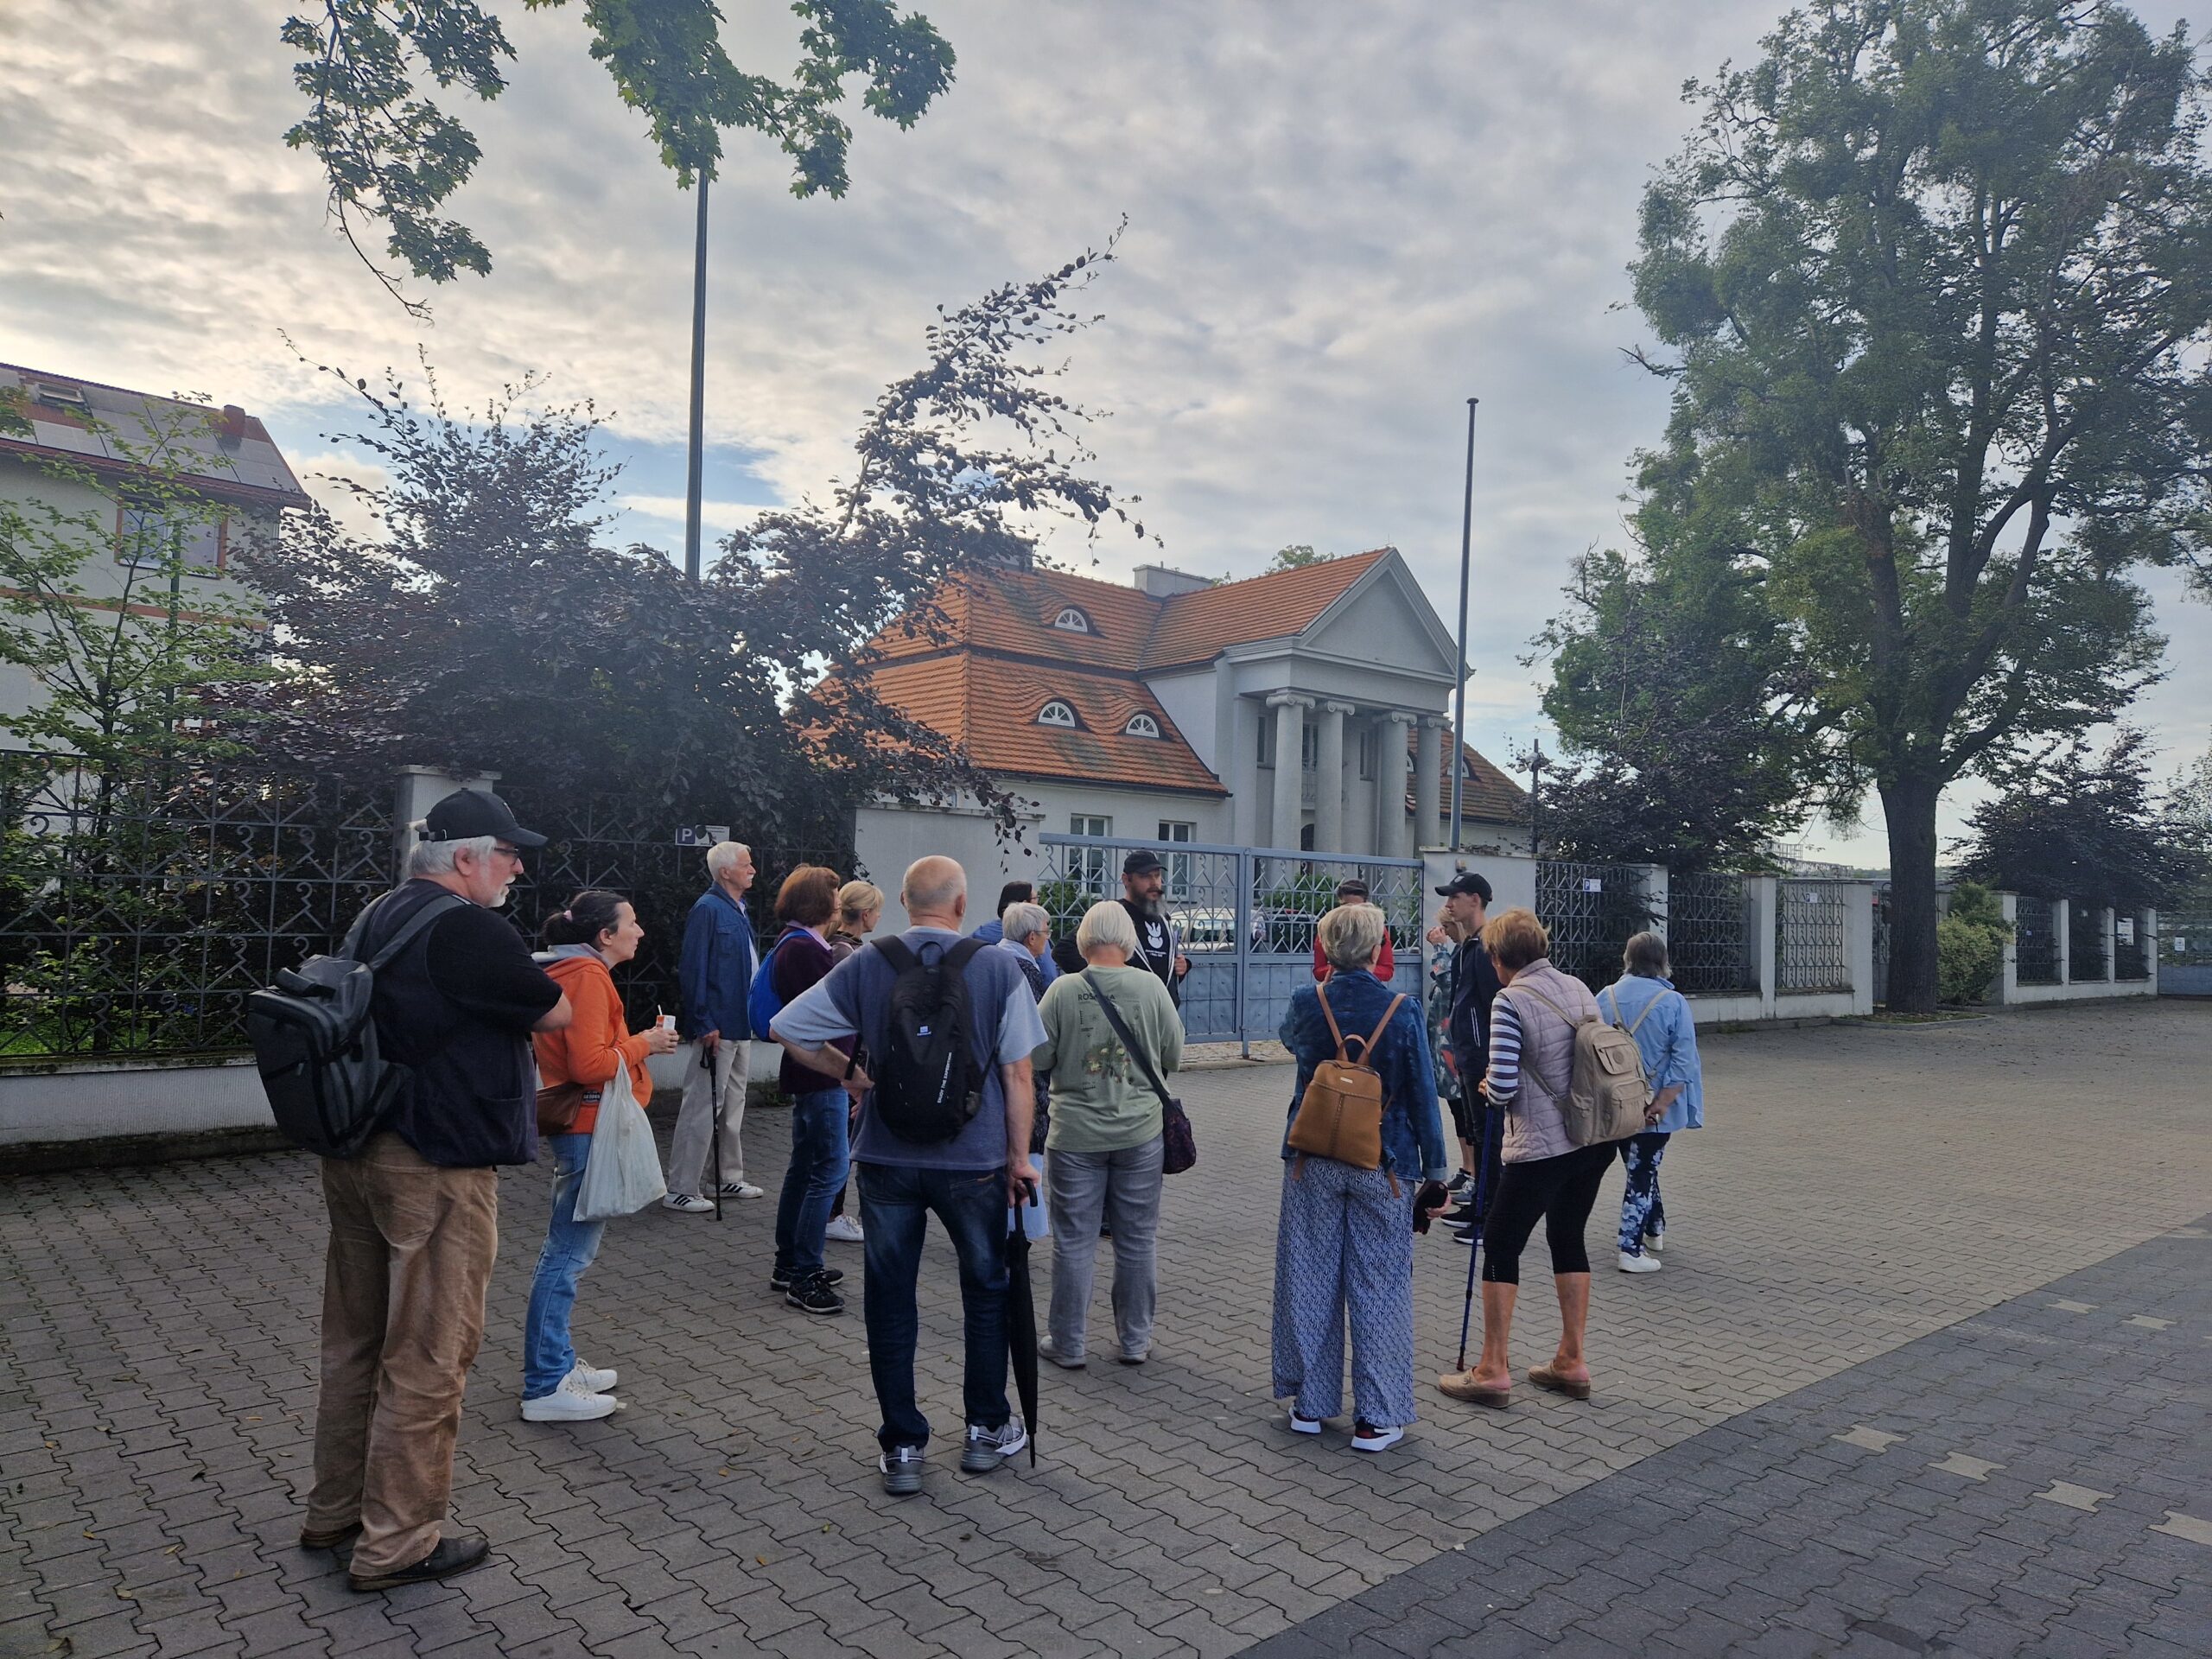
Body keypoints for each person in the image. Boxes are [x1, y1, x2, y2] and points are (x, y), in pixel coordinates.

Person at [305, 788, 571, 1592]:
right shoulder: (468, 927)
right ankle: (397, 1545)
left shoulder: (379, 913)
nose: (517, 870)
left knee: (354, 1343)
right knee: (428, 1353)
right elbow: (555, 1011)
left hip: (358, 1150)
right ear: (465, 858)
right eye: (509, 854)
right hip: (434, 1165)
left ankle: (335, 1514)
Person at [770, 856, 1045, 1497]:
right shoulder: (997, 967)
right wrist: (1020, 1158)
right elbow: (1018, 1074)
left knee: (891, 1298)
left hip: (887, 1159)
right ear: (961, 904)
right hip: (975, 1162)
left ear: (901, 901)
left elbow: (787, 1028)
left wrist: (852, 1076)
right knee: (986, 1292)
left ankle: (902, 1446)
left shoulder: (869, 962)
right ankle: (985, 1430)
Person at [1272, 904, 1450, 1454]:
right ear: (1377, 949)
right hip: (1384, 1162)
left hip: (1312, 1157)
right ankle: (1376, 1417)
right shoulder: (1403, 1010)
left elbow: (1289, 1041)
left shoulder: (1306, 1001)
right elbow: (1423, 1093)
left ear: (1326, 948)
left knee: (1310, 1277)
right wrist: (1436, 1173)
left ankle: (1310, 1404)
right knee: (1380, 1286)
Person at [1438, 907, 1611, 1409]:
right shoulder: (1579, 988)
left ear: (1497, 957)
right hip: (1592, 1139)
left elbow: (1503, 1086)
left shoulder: (1510, 1000)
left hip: (1541, 1145)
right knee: (1568, 1236)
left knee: (1500, 1242)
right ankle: (1571, 1361)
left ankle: (1492, 1370)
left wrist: (1487, 1087)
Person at [524, 889, 679, 1421]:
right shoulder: (588, 975)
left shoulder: (567, 969)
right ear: (604, 935)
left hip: (581, 1124)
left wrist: (638, 1044)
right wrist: (645, 1044)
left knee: (566, 1252)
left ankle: (558, 1363)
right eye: (631, 923)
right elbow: (589, 1065)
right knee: (567, 1256)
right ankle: (545, 1384)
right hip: (588, 1123)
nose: (640, 931)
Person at [1033, 902, 1183, 1369]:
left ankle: (1068, 1343)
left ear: (1083, 940)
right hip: (1140, 1133)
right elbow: (1174, 1056)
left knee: (1073, 1241)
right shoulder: (1152, 987)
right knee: (1136, 1240)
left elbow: (1037, 1057)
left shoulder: (1062, 990)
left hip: (1075, 1135)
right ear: (1129, 940)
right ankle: (1135, 1341)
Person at [767, 865, 852, 1315]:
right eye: (834, 894)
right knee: (829, 1170)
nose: (840, 902)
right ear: (818, 901)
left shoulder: (798, 943)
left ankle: (790, 1262)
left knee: (805, 1168)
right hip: (822, 1074)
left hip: (814, 1073)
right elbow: (822, 1019)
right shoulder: (804, 949)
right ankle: (804, 1272)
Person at [667, 841, 764, 1212]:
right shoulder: (708, 909)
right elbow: (694, 969)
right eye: (746, 864)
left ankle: (726, 1177)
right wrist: (704, 1020)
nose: (752, 869)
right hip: (719, 1026)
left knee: (733, 1104)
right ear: (725, 872)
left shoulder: (737, 908)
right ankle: (681, 1187)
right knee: (702, 1106)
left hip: (740, 1023)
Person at [1603, 931, 1704, 1274]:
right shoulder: (1672, 1002)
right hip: (1654, 1102)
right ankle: (1629, 1249)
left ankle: (1654, 1227)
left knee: (1640, 1165)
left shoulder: (1605, 996)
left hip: (1616, 1100)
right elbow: (1684, 1058)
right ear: (1662, 962)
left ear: (1627, 959)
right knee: (1642, 1169)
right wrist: (1664, 1101)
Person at [1434, 874, 1503, 1245]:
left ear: (1475, 900)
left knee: (1490, 1138)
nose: (1449, 904)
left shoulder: (1486, 947)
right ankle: (1479, 1205)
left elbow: (1496, 1006)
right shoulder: (1469, 946)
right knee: (1479, 1134)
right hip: (1467, 1056)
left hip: (1481, 1059)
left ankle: (1490, 1218)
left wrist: (1488, 1054)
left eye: (1454, 897)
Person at [821, 880, 885, 1245]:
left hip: (845, 1055)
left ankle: (832, 1210)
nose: (879, 917)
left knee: (841, 1139)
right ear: (865, 914)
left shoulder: (836, 945)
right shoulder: (849, 952)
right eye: (877, 910)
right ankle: (832, 1213)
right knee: (843, 1142)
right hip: (850, 1058)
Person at [1117, 850, 1190, 1010]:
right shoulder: (1114, 913)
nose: (1154, 883)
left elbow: (1162, 965)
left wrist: (1181, 967)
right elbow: (1067, 949)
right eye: (1145, 877)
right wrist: (1103, 984)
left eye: (1157, 876)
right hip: (1129, 1014)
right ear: (1126, 880)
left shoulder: (1163, 917)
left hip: (1165, 1013)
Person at [975, 880, 1060, 987]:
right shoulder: (1036, 932)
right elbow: (1049, 975)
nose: (1039, 903)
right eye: (1036, 898)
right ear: (1025, 904)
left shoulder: (982, 933)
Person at [1312, 878, 1395, 982]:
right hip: (1337, 987)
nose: (1352, 911)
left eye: (1358, 907)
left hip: (1367, 987)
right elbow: (1318, 971)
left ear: (1366, 905)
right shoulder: (1328, 927)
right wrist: (1342, 970)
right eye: (1347, 906)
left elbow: (1387, 971)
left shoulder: (1378, 929)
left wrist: (1354, 971)